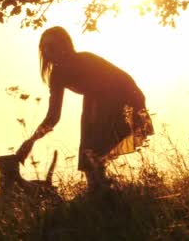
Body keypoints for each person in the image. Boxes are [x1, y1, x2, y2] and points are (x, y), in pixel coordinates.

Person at [16, 26, 154, 192]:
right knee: (89, 157)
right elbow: (53, 116)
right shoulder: (57, 76)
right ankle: (101, 193)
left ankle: (103, 193)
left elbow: (119, 82)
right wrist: (32, 140)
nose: (47, 51)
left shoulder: (85, 59)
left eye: (51, 46)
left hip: (124, 98)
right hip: (96, 103)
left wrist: (94, 118)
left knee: (92, 153)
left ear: (64, 45)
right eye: (43, 48)